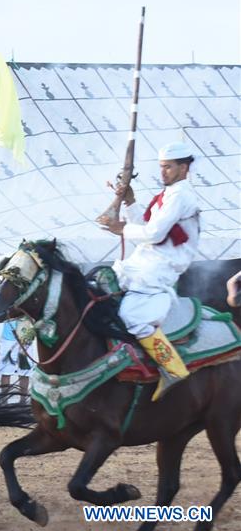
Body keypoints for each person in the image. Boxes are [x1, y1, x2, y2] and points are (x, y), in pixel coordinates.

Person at [100, 141, 200, 400]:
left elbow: (153, 234)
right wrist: (131, 202)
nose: (163, 172)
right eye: (161, 167)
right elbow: (144, 231)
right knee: (101, 287)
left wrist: (120, 227)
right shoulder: (167, 195)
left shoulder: (180, 196)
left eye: (168, 167)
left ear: (184, 168)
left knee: (132, 315)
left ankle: (173, 368)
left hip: (161, 267)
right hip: (143, 261)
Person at [0, 319, 32, 404]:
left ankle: (23, 401)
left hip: (26, 335)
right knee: (6, 371)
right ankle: (3, 401)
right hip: (8, 337)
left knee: (24, 371)